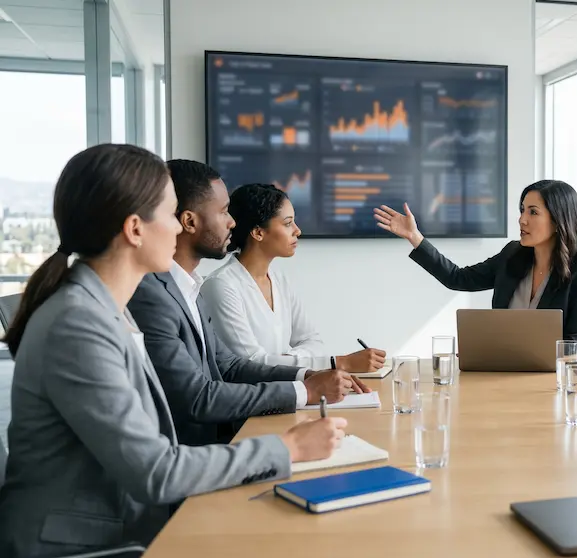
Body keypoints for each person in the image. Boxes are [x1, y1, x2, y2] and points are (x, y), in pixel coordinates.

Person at [0, 145, 345, 556]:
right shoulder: (78, 325)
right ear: (135, 229)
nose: (180, 229)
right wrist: (289, 448)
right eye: (169, 215)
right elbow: (156, 471)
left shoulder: (104, 308)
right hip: (88, 544)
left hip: (123, 522)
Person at [128, 160, 368, 447]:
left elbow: (228, 366)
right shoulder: (156, 296)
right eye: (223, 211)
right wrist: (303, 390)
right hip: (197, 452)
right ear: (189, 221)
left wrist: (308, 375)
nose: (232, 222)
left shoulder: (188, 286)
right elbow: (198, 397)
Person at [374, 180, 577, 350]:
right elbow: (458, 278)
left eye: (533, 212)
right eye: (522, 210)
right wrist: (415, 237)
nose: (522, 219)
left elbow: (574, 349)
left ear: (558, 220)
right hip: (499, 373)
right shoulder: (513, 254)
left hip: (549, 385)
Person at [200, 183, 387, 370]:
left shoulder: (279, 280)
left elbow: (312, 341)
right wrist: (338, 362)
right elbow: (251, 363)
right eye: (288, 223)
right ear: (258, 232)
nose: (297, 230)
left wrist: (284, 359)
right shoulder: (221, 286)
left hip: (288, 390)